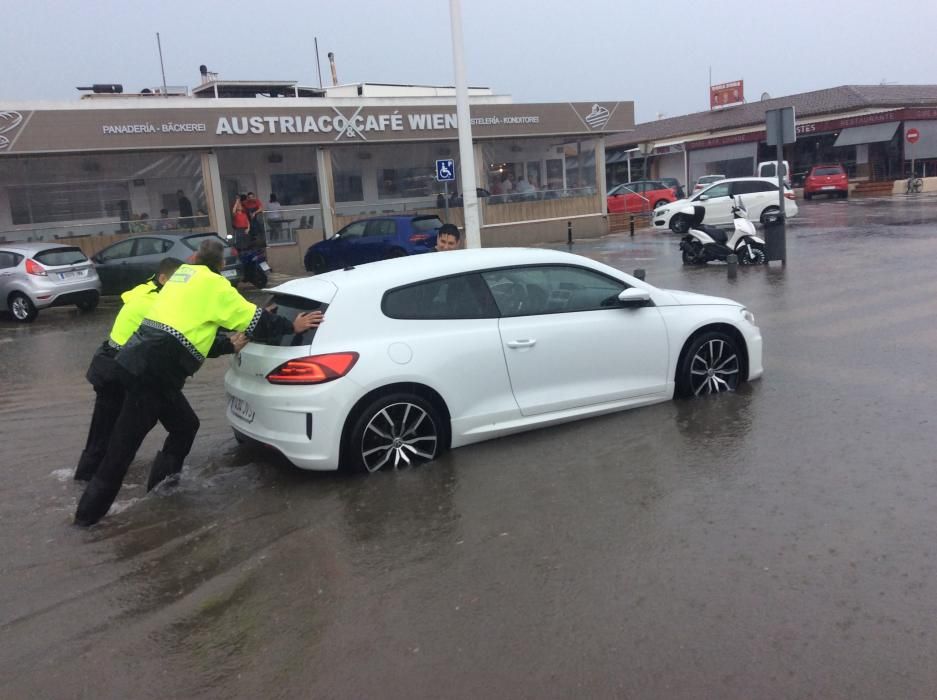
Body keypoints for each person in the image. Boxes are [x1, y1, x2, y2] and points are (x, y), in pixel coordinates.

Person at [74, 239, 323, 527]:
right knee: (121, 449)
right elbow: (254, 323)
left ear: (193, 258)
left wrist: (238, 331)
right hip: (157, 373)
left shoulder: (182, 276)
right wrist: (292, 326)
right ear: (220, 267)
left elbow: (195, 324)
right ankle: (86, 520)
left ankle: (162, 490)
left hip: (137, 362)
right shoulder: (216, 288)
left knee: (185, 426)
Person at [73, 257, 184, 482]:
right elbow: (179, 333)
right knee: (104, 436)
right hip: (118, 372)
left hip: (115, 366)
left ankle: (90, 481)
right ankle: (87, 484)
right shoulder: (154, 304)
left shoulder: (145, 290)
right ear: (163, 279)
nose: (183, 288)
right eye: (178, 281)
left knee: (104, 434)